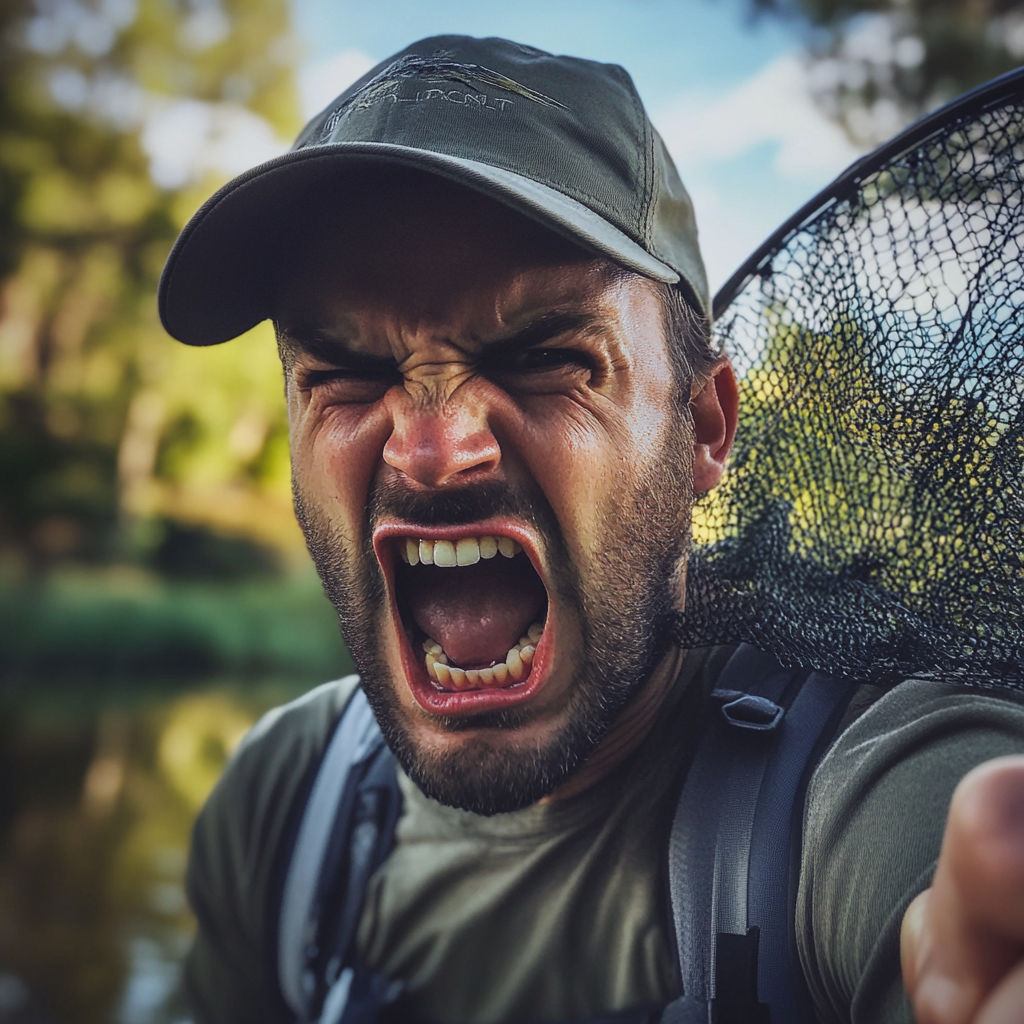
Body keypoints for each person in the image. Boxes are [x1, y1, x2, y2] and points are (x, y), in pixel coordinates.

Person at [158, 35, 1024, 1024]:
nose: (435, 451)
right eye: (344, 376)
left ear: (703, 426)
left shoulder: (865, 780)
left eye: (544, 356)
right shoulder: (282, 805)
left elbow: (958, 876)